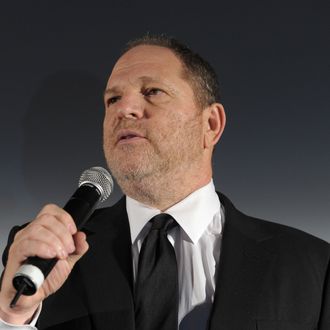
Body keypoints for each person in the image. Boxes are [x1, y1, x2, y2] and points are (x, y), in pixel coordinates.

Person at [0, 35, 329, 330]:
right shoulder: (39, 258)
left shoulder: (313, 265)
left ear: (211, 124)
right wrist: (12, 317)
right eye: (112, 99)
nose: (124, 109)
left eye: (152, 92)